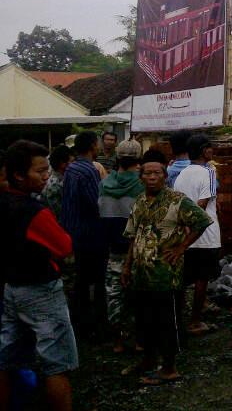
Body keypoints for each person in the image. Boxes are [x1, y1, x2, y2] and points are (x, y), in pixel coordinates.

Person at [121, 148, 211, 385]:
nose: (151, 177)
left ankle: (169, 368)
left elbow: (202, 221)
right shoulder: (139, 202)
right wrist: (127, 266)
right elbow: (133, 235)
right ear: (140, 177)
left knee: (167, 322)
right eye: (147, 173)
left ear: (164, 176)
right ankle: (149, 361)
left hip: (166, 275)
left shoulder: (177, 201)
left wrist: (182, 248)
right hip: (142, 275)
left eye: (156, 173)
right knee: (144, 321)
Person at [0, 140, 77, 411]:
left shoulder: (4, 201)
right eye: (40, 171)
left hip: (11, 287)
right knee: (57, 362)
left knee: (5, 359)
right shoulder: (34, 212)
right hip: (40, 290)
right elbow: (64, 247)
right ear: (19, 174)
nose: (47, 176)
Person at [98, 139, 144, 353]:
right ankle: (137, 340)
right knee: (138, 296)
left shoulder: (104, 184)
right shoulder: (143, 185)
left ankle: (117, 341)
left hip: (112, 249)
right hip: (137, 249)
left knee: (114, 297)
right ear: (138, 159)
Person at [174, 134, 221, 336]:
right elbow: (201, 206)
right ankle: (195, 321)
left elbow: (179, 205)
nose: (212, 151)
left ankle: (178, 320)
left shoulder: (181, 175)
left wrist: (185, 233)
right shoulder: (209, 173)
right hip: (206, 234)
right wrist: (194, 228)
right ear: (204, 151)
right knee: (202, 279)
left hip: (185, 235)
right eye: (209, 148)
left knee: (184, 280)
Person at [61, 130, 107, 338]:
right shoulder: (88, 171)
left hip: (74, 230)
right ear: (92, 146)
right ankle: (94, 325)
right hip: (90, 233)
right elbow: (96, 203)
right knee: (96, 280)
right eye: (97, 143)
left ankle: (79, 321)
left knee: (81, 279)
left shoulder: (71, 168)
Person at [41, 145, 73, 220]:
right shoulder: (54, 185)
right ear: (63, 164)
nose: (74, 164)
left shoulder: (63, 180)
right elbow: (60, 216)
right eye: (72, 161)